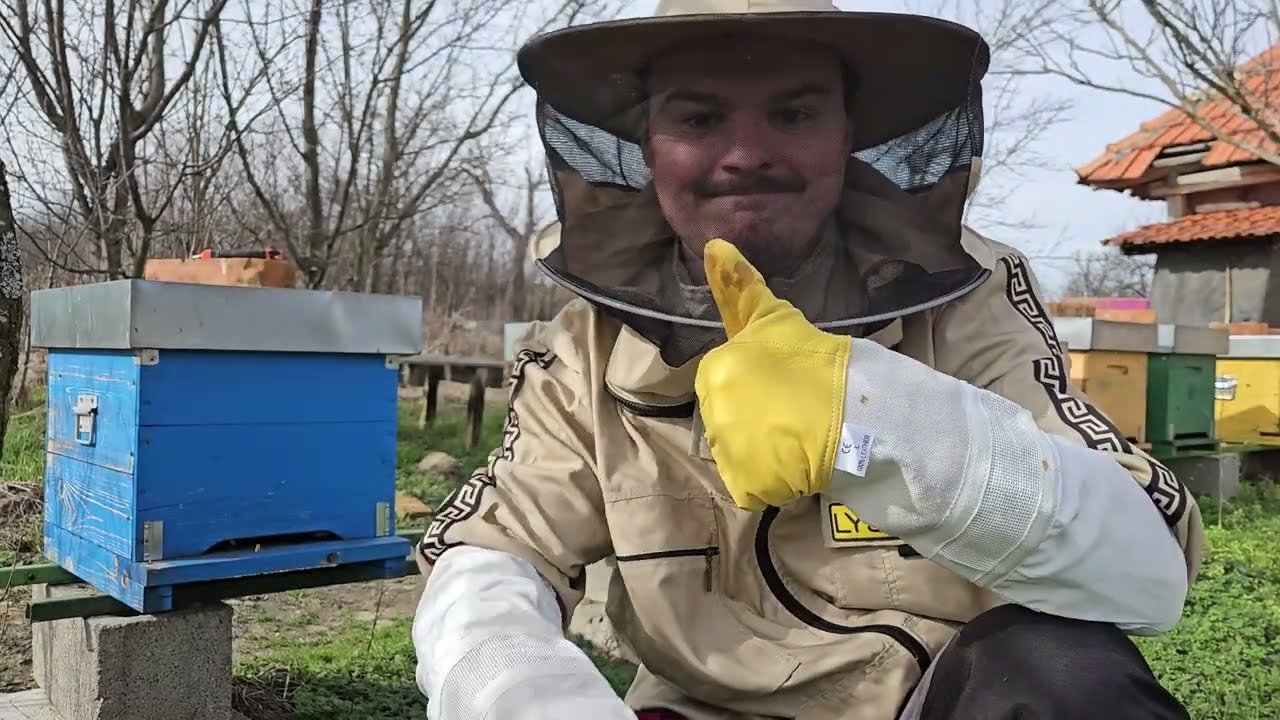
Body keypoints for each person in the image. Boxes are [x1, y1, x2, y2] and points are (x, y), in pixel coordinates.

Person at [411, 1, 1206, 718]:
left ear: (848, 135)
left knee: (1066, 673)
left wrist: (874, 429)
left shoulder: (970, 295)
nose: (747, 153)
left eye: (793, 113)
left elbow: (1146, 564)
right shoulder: (587, 342)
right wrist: (522, 690)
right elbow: (495, 554)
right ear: (646, 145)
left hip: (936, 698)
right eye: (700, 117)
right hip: (698, 708)